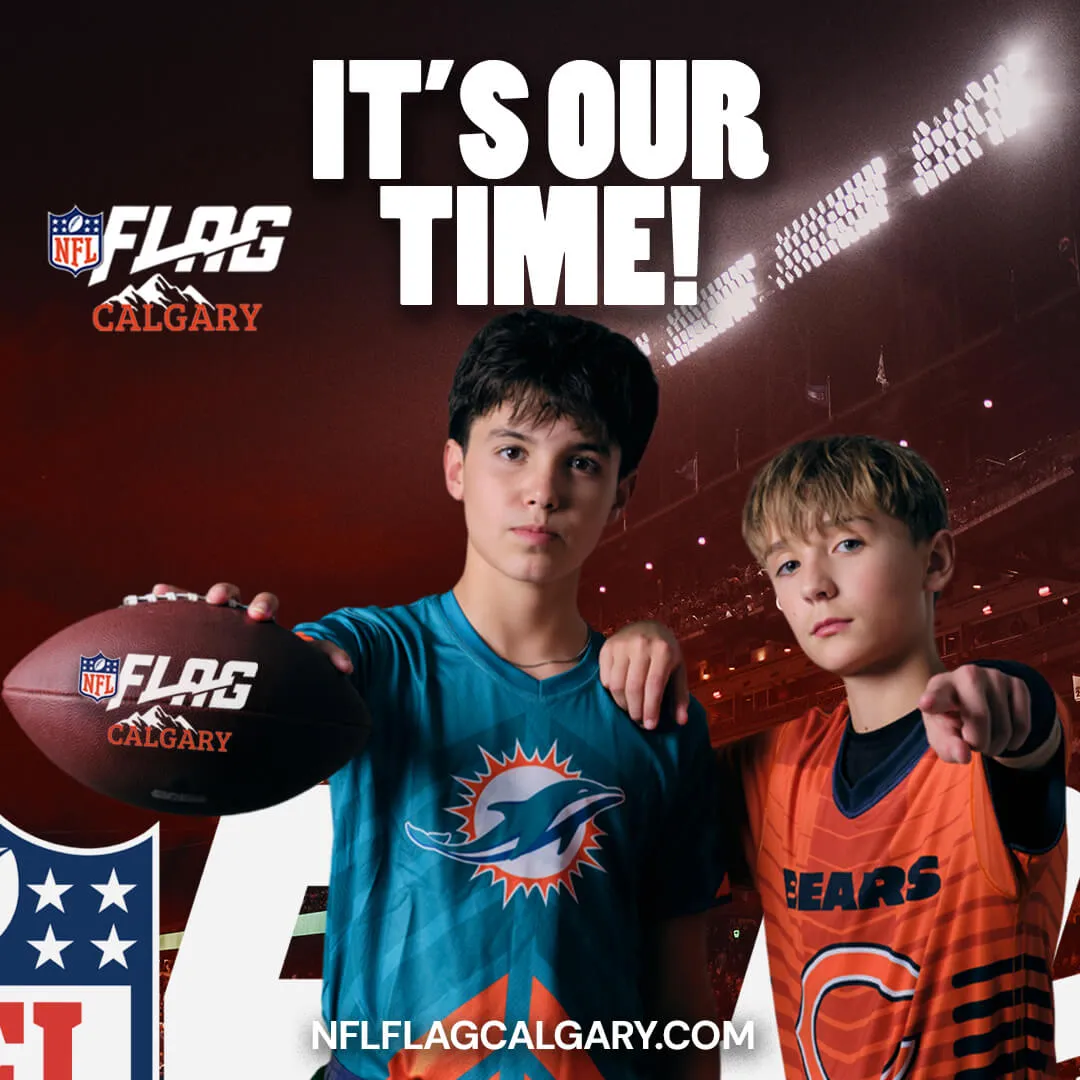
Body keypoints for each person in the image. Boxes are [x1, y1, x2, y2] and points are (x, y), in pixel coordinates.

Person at [164, 310, 726, 1080]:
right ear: (456, 468)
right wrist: (223, 657)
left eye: (582, 462)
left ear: (621, 492)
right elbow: (297, 672)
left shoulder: (657, 712)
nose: (542, 492)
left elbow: (682, 1000)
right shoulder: (377, 655)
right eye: (512, 451)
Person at [604, 434, 1069, 1079]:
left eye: (848, 543)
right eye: (787, 564)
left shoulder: (982, 750)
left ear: (935, 560)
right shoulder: (773, 767)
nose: (815, 586)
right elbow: (620, 805)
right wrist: (636, 646)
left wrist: (1009, 699)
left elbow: (1031, 731)